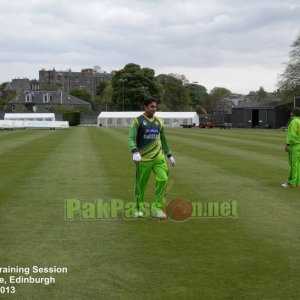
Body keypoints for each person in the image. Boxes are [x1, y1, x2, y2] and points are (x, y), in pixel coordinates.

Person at [128, 98, 176, 218]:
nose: (154, 109)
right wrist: (134, 151)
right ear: (145, 107)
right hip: (143, 159)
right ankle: (139, 208)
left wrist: (169, 155)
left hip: (159, 157)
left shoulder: (159, 122)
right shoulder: (137, 121)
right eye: (151, 106)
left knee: (163, 179)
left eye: (155, 107)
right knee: (141, 184)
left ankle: (157, 208)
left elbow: (163, 140)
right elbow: (131, 138)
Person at [281, 107, 300, 188]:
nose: (290, 113)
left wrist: (287, 145)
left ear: (293, 113)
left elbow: (292, 136)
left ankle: (291, 183)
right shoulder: (299, 121)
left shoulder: (293, 122)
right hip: (299, 145)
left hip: (294, 145)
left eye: (291, 112)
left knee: (293, 164)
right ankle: (296, 181)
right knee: (298, 164)